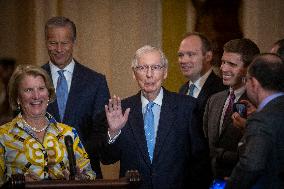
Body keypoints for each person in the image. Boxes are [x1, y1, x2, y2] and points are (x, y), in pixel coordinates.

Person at [101, 45, 207, 189]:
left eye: (156, 67)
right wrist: (113, 132)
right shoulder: (122, 110)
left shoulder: (187, 107)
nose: (149, 74)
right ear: (134, 73)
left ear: (165, 72)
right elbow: (108, 159)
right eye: (142, 68)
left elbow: (199, 161)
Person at [0, 64, 95, 186]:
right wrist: (15, 183)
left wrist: (80, 178)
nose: (36, 96)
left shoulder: (69, 133)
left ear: (48, 94)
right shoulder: (3, 136)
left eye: (41, 89)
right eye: (28, 90)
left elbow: (90, 174)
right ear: (18, 97)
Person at [42, 16, 110, 178]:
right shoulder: (32, 82)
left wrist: (77, 159)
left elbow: (101, 130)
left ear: (74, 42)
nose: (59, 49)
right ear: (46, 42)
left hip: (85, 175)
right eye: (53, 43)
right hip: (43, 177)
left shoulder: (96, 82)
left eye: (64, 43)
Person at [203, 38, 260, 180]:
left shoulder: (257, 103)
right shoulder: (213, 100)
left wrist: (220, 154)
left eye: (232, 64)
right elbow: (205, 144)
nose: (224, 69)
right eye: (223, 62)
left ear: (248, 68)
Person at [225, 53, 284, 189]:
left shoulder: (262, 119)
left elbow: (251, 165)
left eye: (246, 80)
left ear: (254, 83)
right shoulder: (265, 115)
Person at [177, 32, 227, 187]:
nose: (184, 60)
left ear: (208, 56)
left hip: (210, 178)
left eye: (191, 54)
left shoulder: (222, 89)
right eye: (181, 55)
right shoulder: (182, 89)